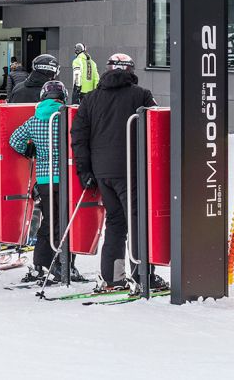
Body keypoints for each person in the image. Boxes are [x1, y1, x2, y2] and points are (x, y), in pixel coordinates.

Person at [70, 53, 164, 292]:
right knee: (138, 221)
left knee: (115, 222)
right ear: (130, 71)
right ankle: (143, 275)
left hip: (102, 173)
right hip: (131, 169)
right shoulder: (141, 95)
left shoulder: (90, 99)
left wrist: (85, 171)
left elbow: (78, 137)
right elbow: (156, 128)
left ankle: (113, 276)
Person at [8, 80, 84, 283]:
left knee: (48, 221)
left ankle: (40, 264)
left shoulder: (34, 119)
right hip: (66, 178)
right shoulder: (68, 116)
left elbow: (14, 140)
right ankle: (64, 265)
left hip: (44, 179)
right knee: (66, 223)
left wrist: (29, 150)